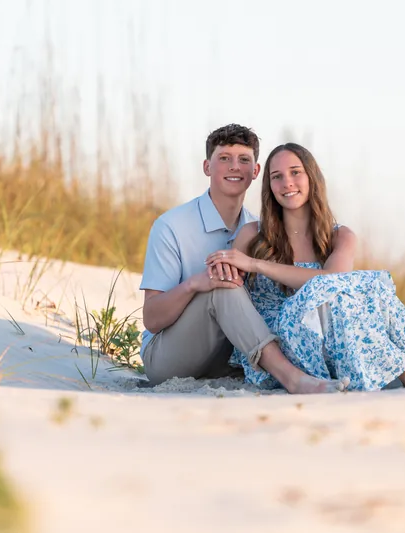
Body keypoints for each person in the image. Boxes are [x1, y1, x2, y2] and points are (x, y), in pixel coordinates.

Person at [205, 143, 405, 391]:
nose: (287, 182)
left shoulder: (341, 237)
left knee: (357, 290)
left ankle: (398, 370)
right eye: (276, 177)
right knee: (347, 288)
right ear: (269, 187)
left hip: (330, 343)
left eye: (295, 172)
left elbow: (330, 283)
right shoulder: (252, 235)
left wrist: (257, 265)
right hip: (278, 347)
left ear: (312, 177)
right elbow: (228, 292)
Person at [139, 125, 357, 393]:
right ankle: (292, 379)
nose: (234, 167)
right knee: (223, 287)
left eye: (244, 160)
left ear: (255, 172)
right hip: (168, 357)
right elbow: (151, 318)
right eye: (224, 159)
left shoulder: (260, 232)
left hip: (231, 359)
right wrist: (195, 284)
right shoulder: (172, 225)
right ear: (207, 167)